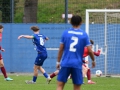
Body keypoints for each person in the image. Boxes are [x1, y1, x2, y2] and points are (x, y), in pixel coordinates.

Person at [56, 15, 95, 90]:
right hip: (77, 64)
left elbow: (61, 49)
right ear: (81, 22)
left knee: (60, 86)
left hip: (65, 63)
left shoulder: (65, 33)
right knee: (77, 87)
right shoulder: (84, 34)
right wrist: (93, 60)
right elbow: (90, 50)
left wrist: (58, 62)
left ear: (71, 22)